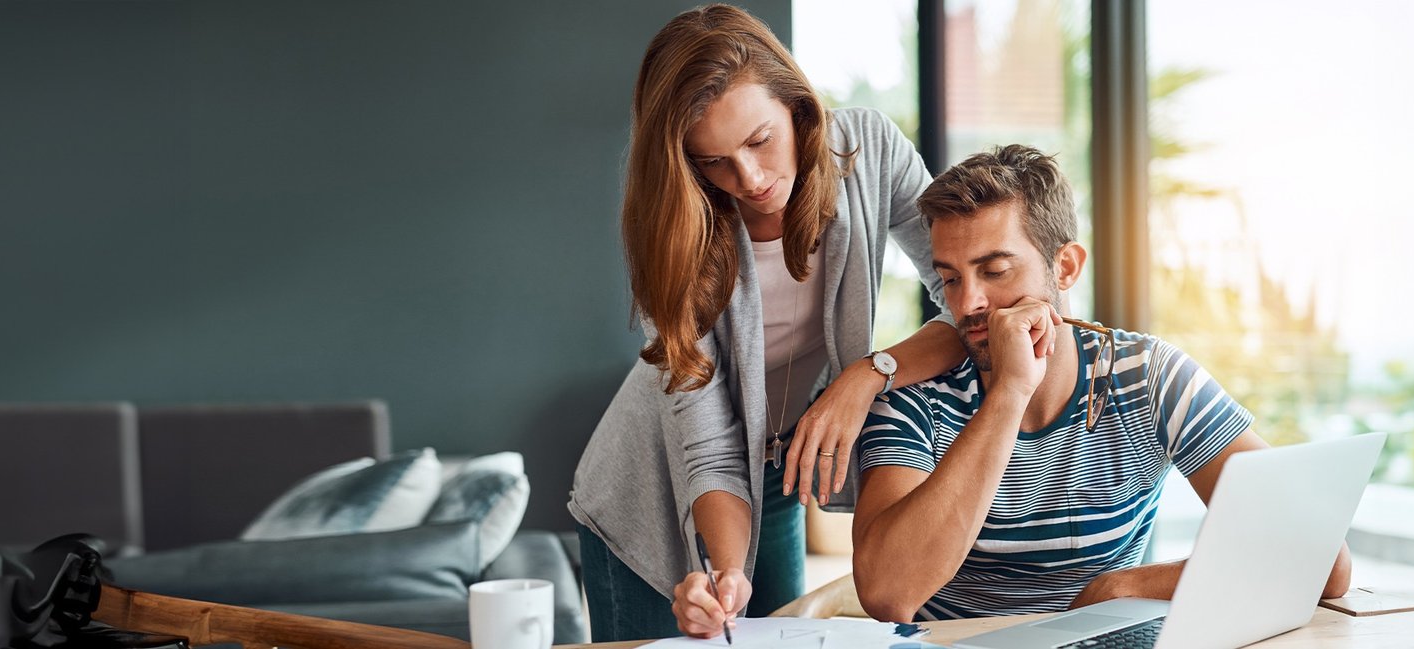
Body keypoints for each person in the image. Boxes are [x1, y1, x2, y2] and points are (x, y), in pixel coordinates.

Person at [567, 4, 967, 641]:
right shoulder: (673, 236)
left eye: (759, 141)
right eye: (713, 161)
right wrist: (723, 575)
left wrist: (869, 375)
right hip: (653, 494)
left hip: (777, 470)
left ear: (797, 107)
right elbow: (705, 443)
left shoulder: (869, 153)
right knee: (721, 619)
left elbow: (965, 298)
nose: (748, 179)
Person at [850, 144, 1353, 622]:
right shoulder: (914, 399)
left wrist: (1124, 587)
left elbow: (1322, 561)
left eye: (996, 270)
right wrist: (1010, 392)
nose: (967, 304)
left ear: (1064, 267)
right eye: (951, 279)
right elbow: (887, 595)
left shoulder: (1147, 375)